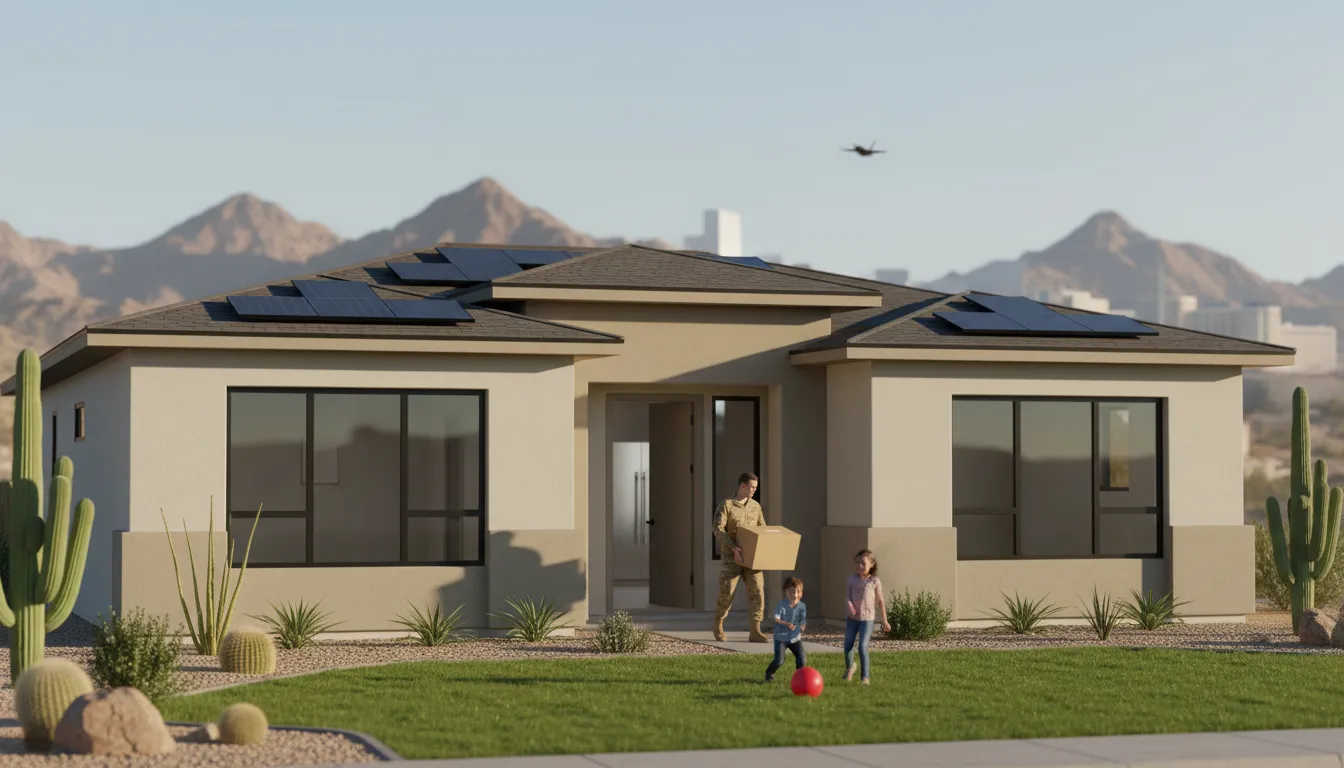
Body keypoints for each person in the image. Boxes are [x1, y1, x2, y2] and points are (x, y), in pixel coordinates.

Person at [712, 472, 767, 642]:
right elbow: (718, 529)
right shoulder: (726, 505)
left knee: (757, 590)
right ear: (742, 486)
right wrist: (734, 548)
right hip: (732, 558)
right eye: (751, 487)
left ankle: (755, 630)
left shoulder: (755, 507)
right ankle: (718, 624)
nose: (753, 490)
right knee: (727, 591)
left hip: (752, 559)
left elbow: (762, 528)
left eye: (755, 488)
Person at [843, 548, 889, 685]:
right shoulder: (851, 579)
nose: (859, 565)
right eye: (857, 562)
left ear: (871, 565)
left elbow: (880, 601)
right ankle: (850, 668)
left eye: (863, 563)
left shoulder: (874, 581)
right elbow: (847, 597)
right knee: (848, 645)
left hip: (867, 619)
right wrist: (850, 607)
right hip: (852, 619)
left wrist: (885, 621)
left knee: (862, 647)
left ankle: (865, 677)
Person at [764, 576, 807, 682]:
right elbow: (776, 619)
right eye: (792, 592)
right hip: (781, 638)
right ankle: (769, 673)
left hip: (795, 638)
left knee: (802, 659)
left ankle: (799, 678)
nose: (795, 594)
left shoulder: (802, 606)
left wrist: (802, 625)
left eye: (797, 592)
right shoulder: (781, 605)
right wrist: (787, 624)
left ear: (800, 593)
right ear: (786, 592)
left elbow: (802, 619)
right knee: (779, 661)